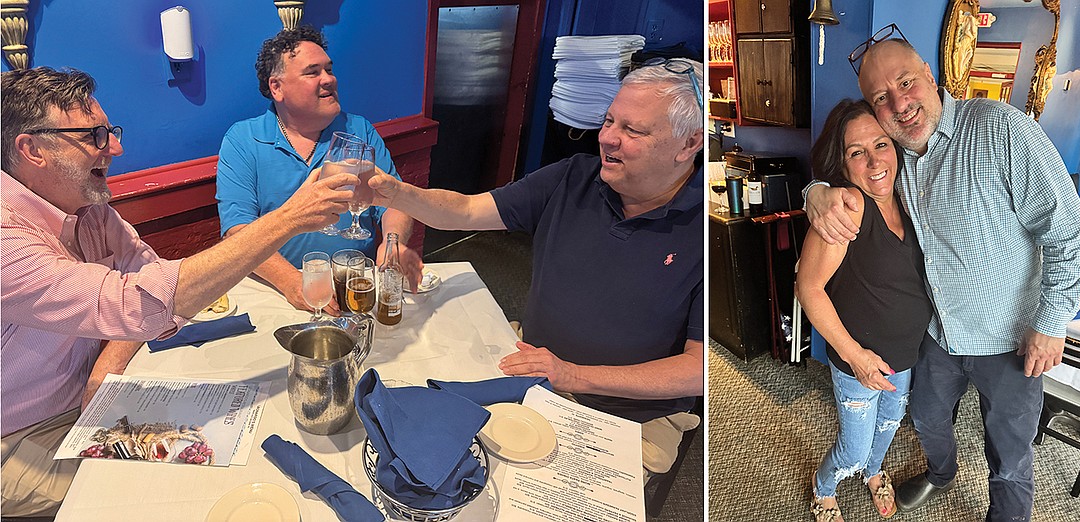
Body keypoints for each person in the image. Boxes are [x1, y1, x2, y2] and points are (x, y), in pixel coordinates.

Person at [0, 66, 357, 517]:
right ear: (32, 150)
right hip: (21, 436)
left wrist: (106, 365)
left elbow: (147, 278)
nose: (115, 147)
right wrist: (287, 219)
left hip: (97, 400)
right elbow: (135, 303)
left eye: (111, 131)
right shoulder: (7, 235)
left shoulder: (88, 209)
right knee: (164, 490)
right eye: (94, 135)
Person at [367, 59, 706, 478]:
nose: (608, 139)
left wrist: (573, 375)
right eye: (608, 121)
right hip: (531, 365)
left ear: (688, 144)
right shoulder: (573, 176)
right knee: (426, 436)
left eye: (632, 131)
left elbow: (698, 369)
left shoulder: (705, 231)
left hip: (629, 416)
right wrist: (396, 192)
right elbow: (468, 210)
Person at [804, 36, 1080, 520]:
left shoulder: (1000, 128)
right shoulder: (896, 155)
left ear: (931, 78)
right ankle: (941, 474)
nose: (898, 103)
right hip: (937, 338)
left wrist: (1052, 322)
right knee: (926, 420)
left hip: (1012, 340)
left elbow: (1069, 231)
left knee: (1010, 459)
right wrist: (815, 189)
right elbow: (847, 163)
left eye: (906, 82)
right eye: (881, 97)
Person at [216, 26, 422, 315]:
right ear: (277, 88)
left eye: (329, 69)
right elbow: (238, 231)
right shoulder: (243, 140)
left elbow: (393, 204)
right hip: (276, 291)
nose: (329, 80)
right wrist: (291, 282)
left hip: (353, 286)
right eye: (313, 72)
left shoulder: (359, 130)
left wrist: (393, 245)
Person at [796, 99, 934, 521]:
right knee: (852, 447)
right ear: (844, 162)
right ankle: (824, 487)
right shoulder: (848, 207)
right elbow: (809, 287)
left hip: (904, 357)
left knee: (889, 427)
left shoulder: (911, 197)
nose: (875, 160)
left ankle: (874, 473)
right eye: (858, 152)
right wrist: (856, 358)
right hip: (859, 360)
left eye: (881, 144)